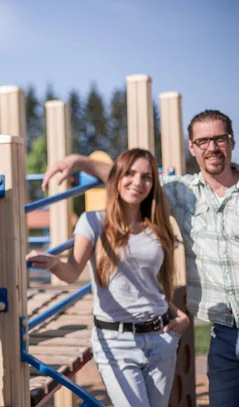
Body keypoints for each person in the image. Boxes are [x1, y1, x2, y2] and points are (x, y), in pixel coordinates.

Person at [42, 110, 239, 406]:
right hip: (222, 332)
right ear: (192, 147)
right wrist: (78, 161)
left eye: (219, 139)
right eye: (203, 141)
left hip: (161, 337)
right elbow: (127, 181)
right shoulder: (180, 192)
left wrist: (171, 311)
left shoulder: (156, 223)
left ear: (232, 141)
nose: (212, 147)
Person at [27, 148, 190, 406]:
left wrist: (178, 315)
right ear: (116, 178)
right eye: (130, 174)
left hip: (161, 340)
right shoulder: (93, 222)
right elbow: (71, 273)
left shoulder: (156, 226)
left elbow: (150, 286)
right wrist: (53, 263)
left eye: (146, 177)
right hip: (116, 342)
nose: (137, 182)